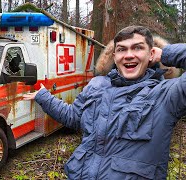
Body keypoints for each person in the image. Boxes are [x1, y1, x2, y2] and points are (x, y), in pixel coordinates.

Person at [23, 25, 186, 179]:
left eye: (138, 47)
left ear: (151, 54)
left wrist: (165, 54)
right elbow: (73, 117)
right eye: (122, 49)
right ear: (114, 57)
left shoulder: (167, 94)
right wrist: (44, 96)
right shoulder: (97, 85)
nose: (129, 55)